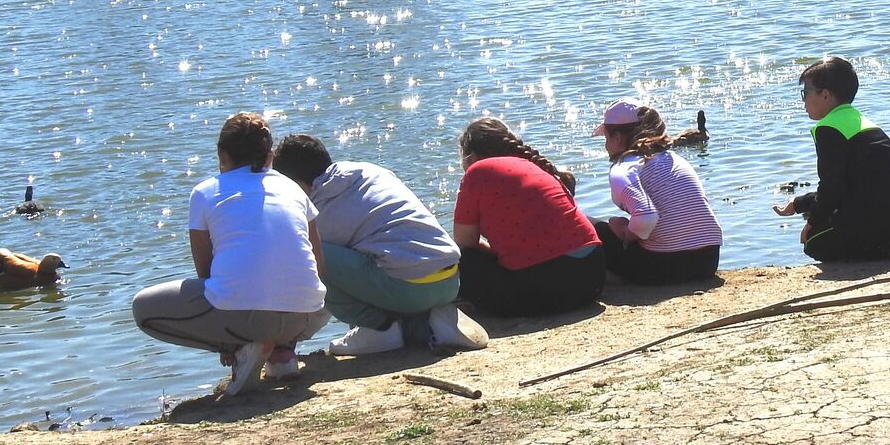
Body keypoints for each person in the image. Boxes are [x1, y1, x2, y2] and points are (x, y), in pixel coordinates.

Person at [132, 113, 328, 396]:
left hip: (245, 318)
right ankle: (282, 352)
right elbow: (319, 267)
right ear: (270, 156)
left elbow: (206, 273)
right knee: (300, 283)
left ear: (222, 155)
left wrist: (226, 339)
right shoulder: (293, 189)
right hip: (306, 317)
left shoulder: (204, 192)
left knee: (143, 309)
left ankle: (242, 349)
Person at [271, 135, 489, 357]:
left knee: (306, 253)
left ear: (295, 183)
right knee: (373, 256)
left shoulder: (318, 208)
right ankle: (428, 323)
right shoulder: (368, 171)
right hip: (450, 280)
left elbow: (315, 277)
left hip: (410, 290)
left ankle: (377, 328)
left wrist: (289, 335)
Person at [773, 57, 890, 261]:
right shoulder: (862, 121)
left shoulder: (828, 128)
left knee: (814, 243)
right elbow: (847, 186)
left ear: (825, 95)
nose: (803, 100)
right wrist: (798, 204)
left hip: (887, 213)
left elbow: (832, 188)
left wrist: (812, 222)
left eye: (805, 93)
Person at [452, 118, 604, 316]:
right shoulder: (534, 166)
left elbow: (465, 244)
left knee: (462, 261)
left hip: (550, 292)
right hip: (592, 278)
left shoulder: (476, 172)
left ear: (469, 156)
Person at [592, 100, 723, 284]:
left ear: (618, 138)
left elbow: (647, 217)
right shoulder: (674, 159)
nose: (606, 147)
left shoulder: (624, 168)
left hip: (664, 267)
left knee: (590, 225)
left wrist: (625, 232)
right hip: (708, 260)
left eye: (606, 138)